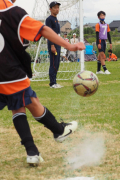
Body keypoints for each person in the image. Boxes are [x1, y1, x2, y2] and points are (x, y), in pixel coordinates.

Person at [0, 0, 85, 166]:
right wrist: (69, 45)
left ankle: (35, 149)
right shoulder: (13, 12)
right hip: (10, 73)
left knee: (24, 103)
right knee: (26, 103)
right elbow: (43, 30)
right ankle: (56, 134)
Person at [46, 1, 62, 88]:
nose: (57, 9)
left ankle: (55, 81)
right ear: (50, 9)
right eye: (55, 7)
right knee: (53, 63)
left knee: (57, 63)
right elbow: (49, 33)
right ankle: (52, 83)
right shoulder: (49, 19)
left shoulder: (56, 19)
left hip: (58, 43)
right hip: (53, 44)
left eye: (58, 7)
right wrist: (52, 45)